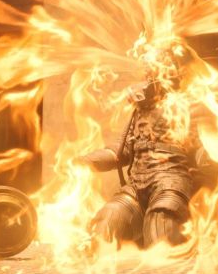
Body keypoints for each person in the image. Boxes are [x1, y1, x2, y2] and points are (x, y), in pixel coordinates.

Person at [80, 77, 203, 247]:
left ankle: (167, 261)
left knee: (160, 225)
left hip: (170, 181)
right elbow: (121, 150)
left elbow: (206, 147)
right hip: (137, 183)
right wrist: (84, 162)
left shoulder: (188, 104)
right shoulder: (139, 112)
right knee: (107, 221)